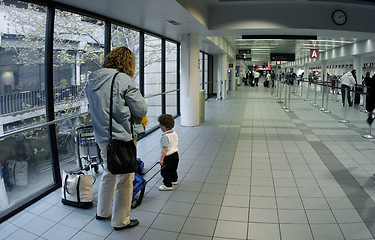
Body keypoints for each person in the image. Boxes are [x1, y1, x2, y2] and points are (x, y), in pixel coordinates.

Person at [85, 46, 148, 231]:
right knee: (125, 179)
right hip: (121, 137)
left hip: (101, 136)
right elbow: (141, 109)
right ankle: (121, 221)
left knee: (109, 172)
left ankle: (102, 212)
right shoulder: (122, 79)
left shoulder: (92, 79)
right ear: (127, 62)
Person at [158, 114, 179, 191]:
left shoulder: (165, 137)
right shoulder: (174, 133)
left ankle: (167, 185)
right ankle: (174, 180)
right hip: (175, 154)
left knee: (165, 171)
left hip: (168, 157)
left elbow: (165, 149)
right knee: (173, 169)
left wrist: (162, 159)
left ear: (163, 127)